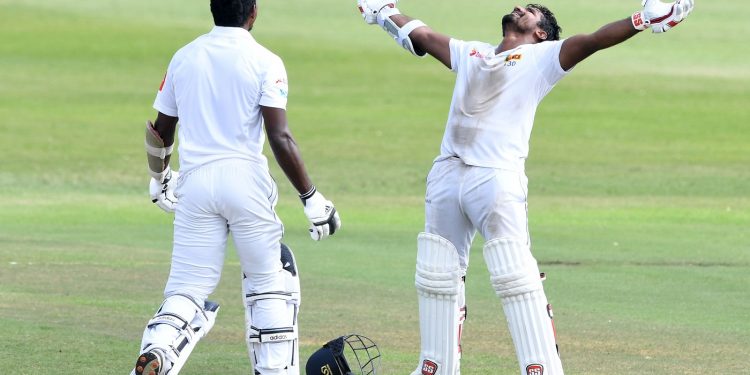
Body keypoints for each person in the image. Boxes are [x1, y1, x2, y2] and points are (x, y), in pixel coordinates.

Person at [356, 0, 694, 374]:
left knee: (514, 276)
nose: (518, 7)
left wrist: (643, 18)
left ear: (540, 33)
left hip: (497, 180)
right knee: (438, 274)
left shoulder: (544, 58)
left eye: (530, 10)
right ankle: (434, 366)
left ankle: (540, 368)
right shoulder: (472, 53)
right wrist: (383, 11)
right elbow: (422, 35)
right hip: (448, 173)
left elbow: (594, 40)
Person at [132, 0, 341, 374]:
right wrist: (311, 198)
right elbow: (280, 136)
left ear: (213, 10)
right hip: (246, 183)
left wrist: (161, 178)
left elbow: (160, 132)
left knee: (186, 288)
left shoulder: (184, 57)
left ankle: (160, 350)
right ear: (254, 12)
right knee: (269, 283)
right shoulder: (266, 60)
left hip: (195, 185)